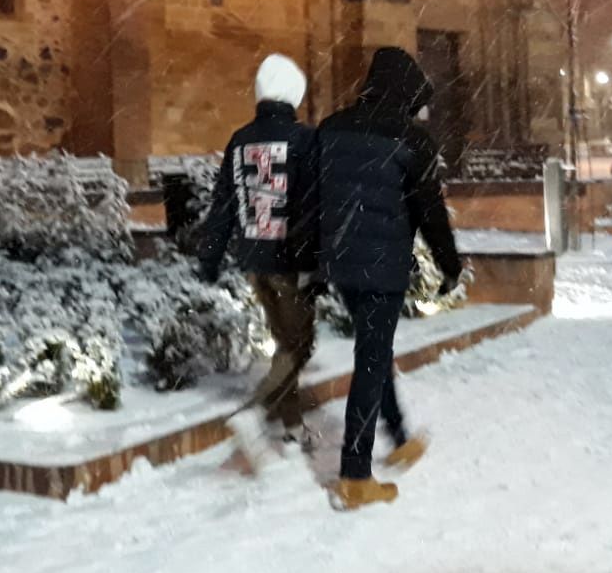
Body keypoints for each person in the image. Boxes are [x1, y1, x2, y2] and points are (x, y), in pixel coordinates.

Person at [317, 47, 461, 511]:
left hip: (341, 263)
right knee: (372, 359)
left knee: (374, 350)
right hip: (381, 267)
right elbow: (429, 211)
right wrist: (449, 262)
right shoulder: (411, 140)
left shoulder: (331, 128)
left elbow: (312, 194)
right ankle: (355, 474)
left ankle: (398, 436)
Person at [197, 54, 320, 442]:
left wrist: (210, 256)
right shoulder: (305, 141)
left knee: (285, 342)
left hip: (254, 259)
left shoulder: (240, 141)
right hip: (290, 262)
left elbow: (223, 205)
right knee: (299, 346)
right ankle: (257, 412)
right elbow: (312, 207)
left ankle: (292, 424)